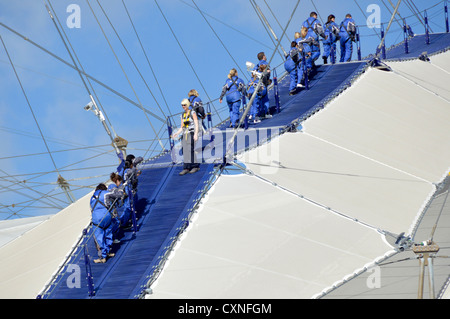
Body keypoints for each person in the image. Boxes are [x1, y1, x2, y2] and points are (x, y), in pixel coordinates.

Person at [90, 183, 124, 263]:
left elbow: (92, 209)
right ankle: (108, 252)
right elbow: (118, 195)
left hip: (96, 219)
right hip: (107, 216)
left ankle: (103, 257)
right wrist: (121, 190)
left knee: (99, 237)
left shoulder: (92, 198)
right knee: (108, 233)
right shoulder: (105, 193)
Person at [172, 99, 200, 175]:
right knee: (185, 150)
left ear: (187, 105)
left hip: (191, 132)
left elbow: (196, 124)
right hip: (185, 133)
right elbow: (182, 126)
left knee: (190, 149)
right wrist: (177, 133)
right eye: (182, 105)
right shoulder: (182, 115)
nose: (183, 106)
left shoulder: (192, 113)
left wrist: (196, 134)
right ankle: (186, 167)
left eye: (184, 105)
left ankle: (195, 166)